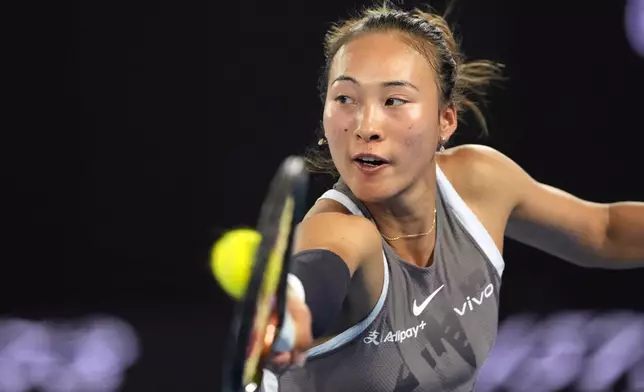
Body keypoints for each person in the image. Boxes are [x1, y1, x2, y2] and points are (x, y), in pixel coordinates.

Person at [259, 4, 644, 392]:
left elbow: (604, 231)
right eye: (345, 99)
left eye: (394, 100)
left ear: (446, 119)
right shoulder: (338, 230)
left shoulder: (479, 183)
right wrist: (292, 303)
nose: (366, 126)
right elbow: (314, 271)